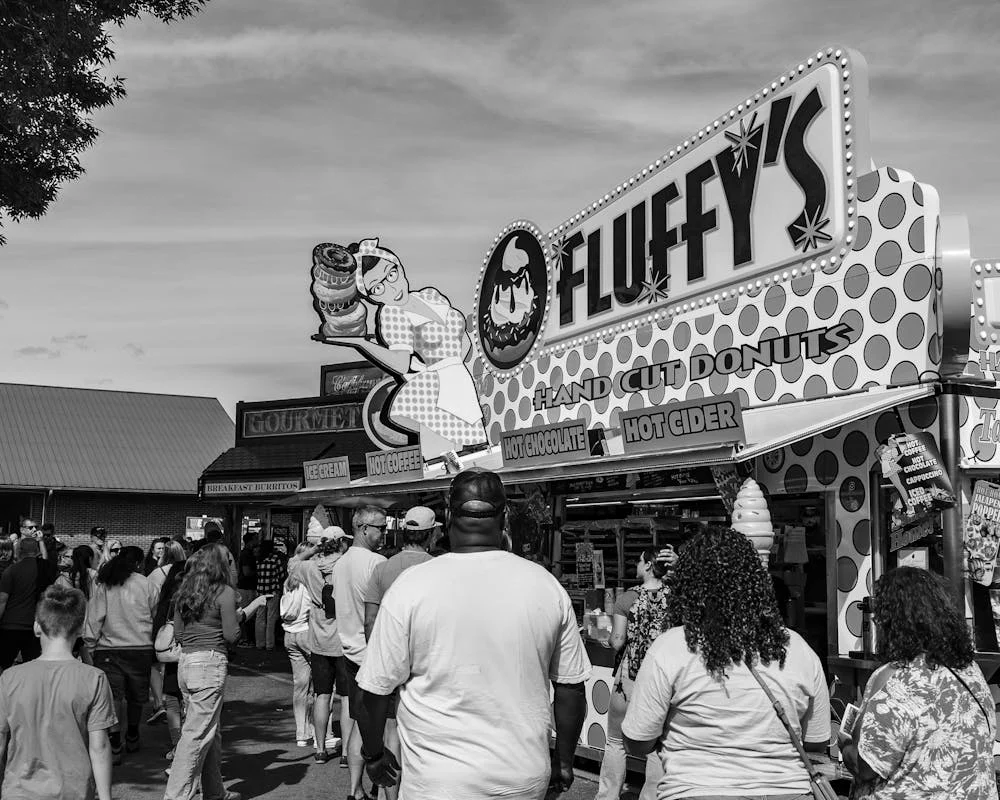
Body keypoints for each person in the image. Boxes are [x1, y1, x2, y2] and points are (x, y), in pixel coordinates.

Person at [356, 469, 591, 799]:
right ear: (505, 517)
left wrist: (374, 754)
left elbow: (373, 692)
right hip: (521, 780)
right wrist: (564, 760)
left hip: (437, 783)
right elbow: (570, 688)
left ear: (450, 515)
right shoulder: (546, 586)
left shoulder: (410, 587)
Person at [621, 526, 830, 799]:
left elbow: (637, 742)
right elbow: (817, 741)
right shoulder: (797, 648)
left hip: (696, 791)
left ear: (689, 584)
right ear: (755, 582)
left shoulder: (672, 647)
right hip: (788, 790)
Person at [322, 239, 487, 460]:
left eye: (391, 274)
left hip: (460, 380)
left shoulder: (430, 294)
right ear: (371, 296)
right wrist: (359, 342)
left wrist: (458, 367)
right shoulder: (392, 314)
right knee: (448, 463)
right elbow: (400, 363)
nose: (391, 289)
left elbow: (463, 342)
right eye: (378, 288)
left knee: (477, 458)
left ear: (398, 266)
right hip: (435, 392)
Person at [840, 567, 997, 799]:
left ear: (891, 622)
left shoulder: (896, 678)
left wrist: (846, 748)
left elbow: (866, 767)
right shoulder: (970, 670)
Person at [164, 543, 267, 800]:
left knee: (210, 730)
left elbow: (177, 633)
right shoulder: (225, 593)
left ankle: (215, 792)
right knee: (196, 736)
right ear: (221, 565)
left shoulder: (184, 592)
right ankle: (176, 795)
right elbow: (232, 635)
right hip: (210, 663)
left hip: (186, 663)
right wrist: (243, 615)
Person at [0, 585, 116, 800]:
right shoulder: (94, 678)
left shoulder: (10, 678)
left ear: (37, 627)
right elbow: (99, 746)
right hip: (73, 790)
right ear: (80, 628)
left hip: (18, 791)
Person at [362, 505, 436, 795]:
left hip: (388, 659)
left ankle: (389, 790)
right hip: (424, 662)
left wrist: (377, 656)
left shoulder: (383, 568)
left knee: (389, 725)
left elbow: (370, 619)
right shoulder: (436, 568)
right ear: (431, 535)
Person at [595, 547, 675, 800]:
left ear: (649, 565)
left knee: (616, 741)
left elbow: (618, 641)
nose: (636, 566)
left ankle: (608, 796)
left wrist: (605, 636)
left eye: (639, 561)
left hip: (630, 676)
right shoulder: (676, 597)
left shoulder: (627, 598)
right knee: (658, 743)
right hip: (664, 677)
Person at [83, 545, 158, 764]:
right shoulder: (147, 585)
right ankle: (133, 733)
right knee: (136, 696)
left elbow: (95, 616)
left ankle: (115, 739)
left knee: (114, 697)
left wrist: (90, 643)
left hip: (109, 648)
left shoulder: (106, 584)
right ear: (139, 563)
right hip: (140, 646)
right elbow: (154, 615)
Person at [334, 506, 389, 798]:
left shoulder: (341, 563)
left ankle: (355, 790)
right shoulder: (377, 562)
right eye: (380, 527)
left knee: (360, 722)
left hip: (349, 652)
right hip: (372, 653)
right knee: (384, 726)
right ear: (363, 528)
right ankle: (381, 788)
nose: (384, 532)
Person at [295, 526, 352, 764]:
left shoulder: (309, 567)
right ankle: (347, 752)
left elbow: (293, 561)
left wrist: (315, 548)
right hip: (344, 637)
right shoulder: (347, 565)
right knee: (347, 698)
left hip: (319, 638)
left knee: (322, 695)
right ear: (340, 543)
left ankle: (320, 749)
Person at [153, 555, 189, 760]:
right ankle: (185, 744)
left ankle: (177, 743)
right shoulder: (194, 598)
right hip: (189, 654)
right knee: (187, 702)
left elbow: (159, 623)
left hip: (172, 655)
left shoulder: (169, 596)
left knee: (173, 701)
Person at [148, 541, 187, 727]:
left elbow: (152, 600)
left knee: (158, 667)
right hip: (188, 644)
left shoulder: (158, 573)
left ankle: (158, 703)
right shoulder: (189, 575)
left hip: (164, 629)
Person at [282, 543, 316, 747]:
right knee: (320, 686)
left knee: (300, 686)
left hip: (289, 634)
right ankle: (320, 731)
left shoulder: (288, 582)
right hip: (307, 632)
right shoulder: (309, 580)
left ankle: (301, 732)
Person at [0, 536, 48, 670]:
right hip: (34, 627)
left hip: (10, 625)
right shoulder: (44, 569)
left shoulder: (11, 571)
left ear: (19, 550)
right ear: (37, 550)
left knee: (4, 665)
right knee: (31, 668)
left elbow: (2, 601)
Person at [255, 539, 287, 652]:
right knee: (271, 619)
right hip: (272, 591)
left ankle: (259, 643)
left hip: (260, 591)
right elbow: (282, 574)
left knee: (259, 618)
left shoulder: (258, 560)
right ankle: (269, 644)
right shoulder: (275, 559)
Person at [236, 532, 259, 647]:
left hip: (247, 586)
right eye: (256, 539)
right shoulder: (246, 554)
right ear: (250, 541)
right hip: (245, 587)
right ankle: (245, 639)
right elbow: (246, 572)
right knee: (246, 613)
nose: (258, 541)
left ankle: (246, 638)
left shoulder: (248, 553)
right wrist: (258, 571)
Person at [203, 522, 238, 587]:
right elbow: (233, 573)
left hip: (209, 587)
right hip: (223, 587)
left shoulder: (203, 552)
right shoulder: (226, 553)